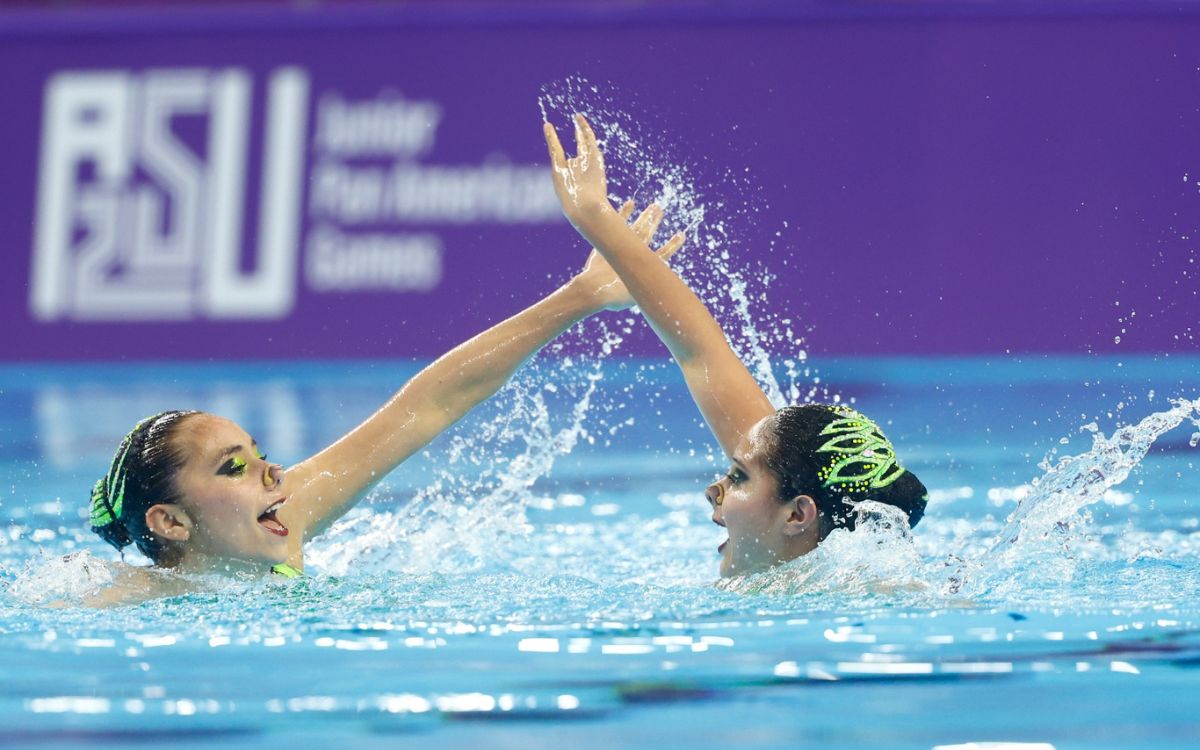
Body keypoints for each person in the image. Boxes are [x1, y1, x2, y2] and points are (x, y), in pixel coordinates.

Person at [80, 204, 683, 607]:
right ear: (171, 523)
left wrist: (580, 297)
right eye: (233, 467)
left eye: (259, 454)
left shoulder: (284, 526)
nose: (274, 472)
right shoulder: (129, 601)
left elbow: (430, 404)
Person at [544, 114, 928, 577]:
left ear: (798, 515)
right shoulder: (798, 531)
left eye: (739, 477)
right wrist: (595, 218)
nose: (713, 490)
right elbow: (699, 351)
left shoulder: (872, 602)